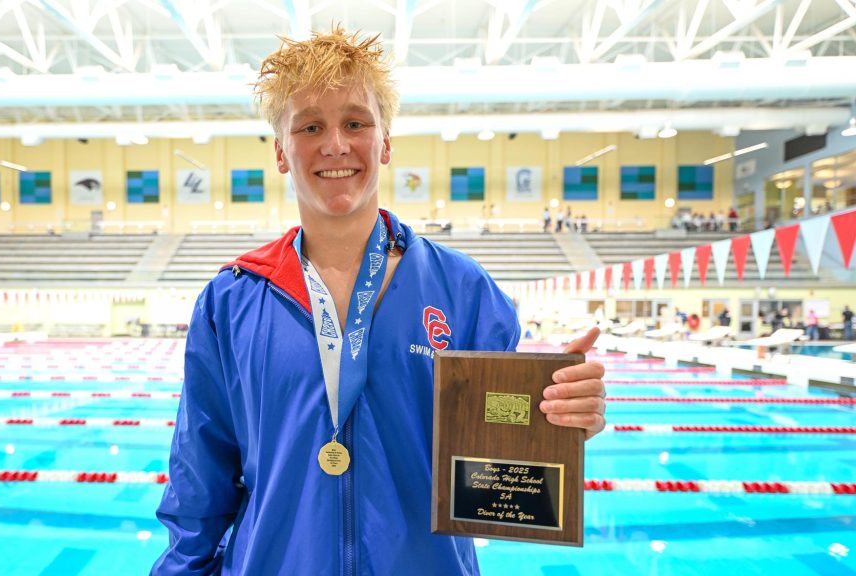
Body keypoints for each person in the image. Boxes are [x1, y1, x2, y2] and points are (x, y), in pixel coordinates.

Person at [152, 27, 606, 575]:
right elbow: (199, 479)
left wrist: (561, 416)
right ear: (280, 151)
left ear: (386, 142)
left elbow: (502, 456)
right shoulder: (232, 300)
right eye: (310, 126)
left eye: (356, 122)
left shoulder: (463, 290)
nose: (335, 144)